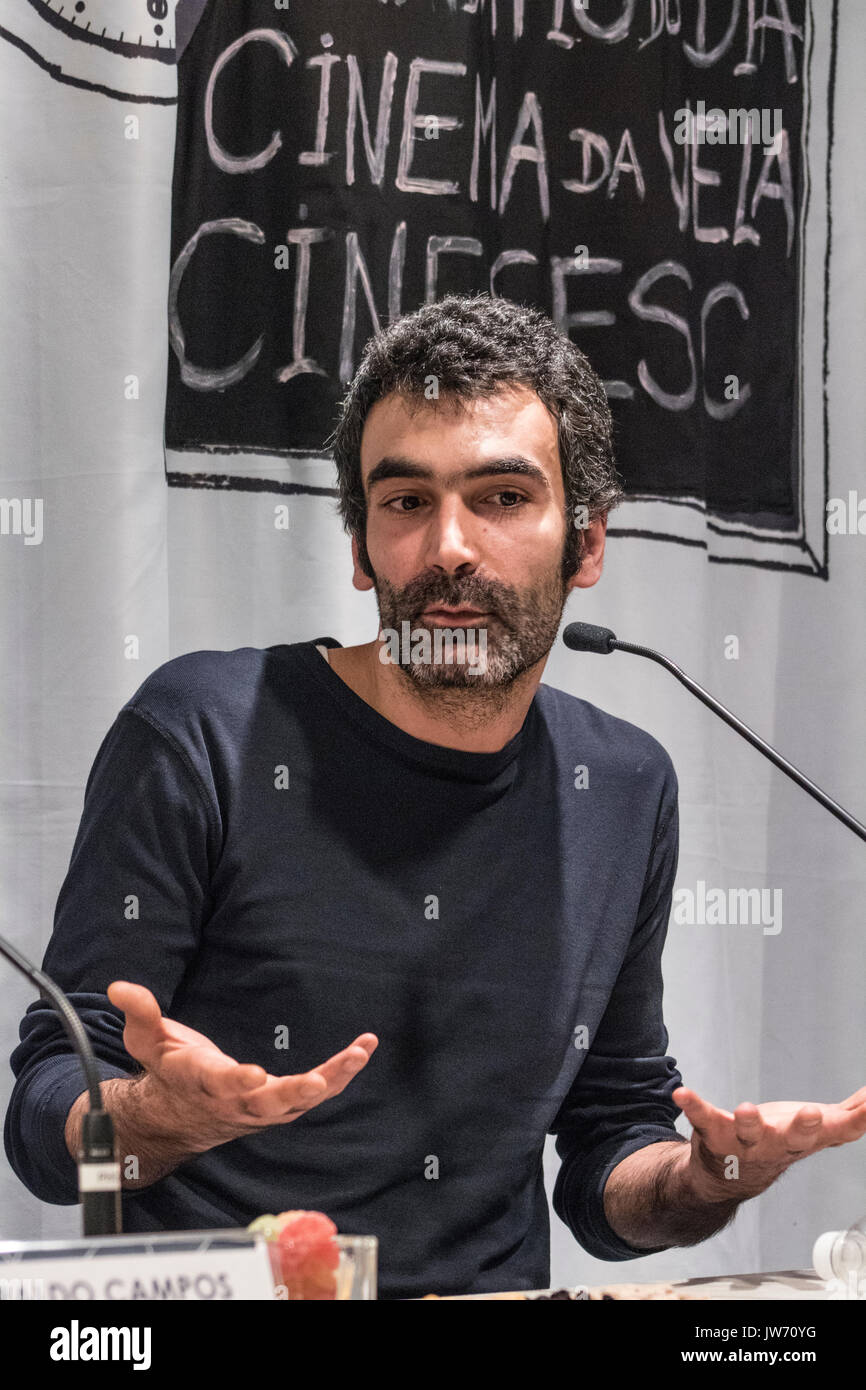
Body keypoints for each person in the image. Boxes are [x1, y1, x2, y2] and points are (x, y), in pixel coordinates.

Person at [5, 295, 865, 1300]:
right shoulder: (203, 729)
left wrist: (702, 1176)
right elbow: (47, 1119)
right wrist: (152, 1120)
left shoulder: (623, 785)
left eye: (499, 497)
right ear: (363, 547)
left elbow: (605, 1155)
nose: (448, 545)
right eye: (406, 501)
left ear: (585, 544)